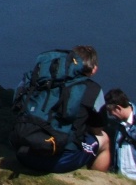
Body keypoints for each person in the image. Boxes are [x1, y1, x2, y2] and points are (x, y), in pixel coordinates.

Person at [16, 45, 111, 174]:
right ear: (94, 69)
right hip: (60, 160)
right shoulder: (93, 90)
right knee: (104, 140)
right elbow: (97, 129)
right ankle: (96, 179)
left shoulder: (42, 82)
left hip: (24, 154)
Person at [106, 88, 136, 179]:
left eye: (110, 111)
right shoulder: (117, 124)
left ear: (118, 108)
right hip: (120, 179)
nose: (110, 115)